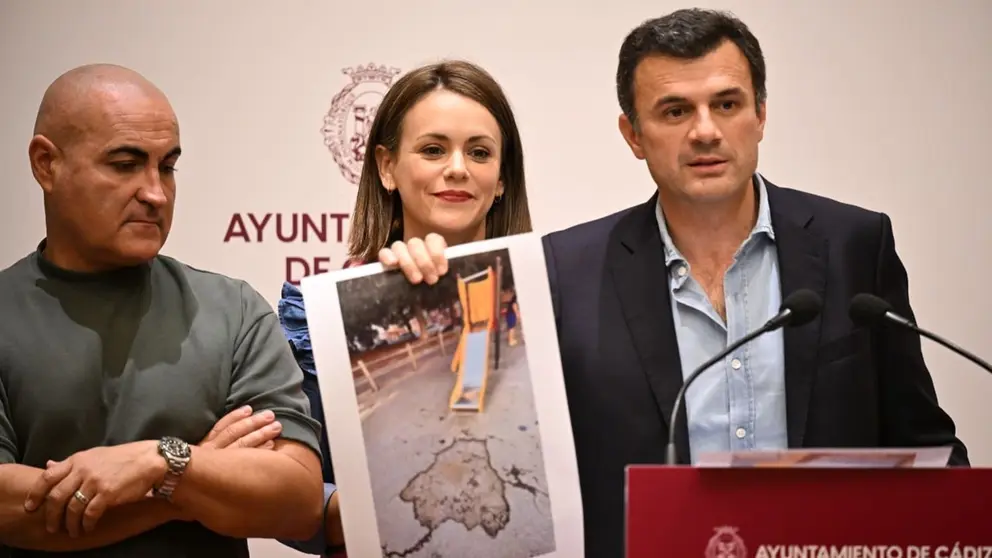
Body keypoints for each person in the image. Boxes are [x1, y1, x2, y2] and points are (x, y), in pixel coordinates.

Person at [372, 8, 970, 558]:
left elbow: (928, 449)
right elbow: (472, 430)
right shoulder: (563, 269)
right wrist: (419, 287)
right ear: (633, 135)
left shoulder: (853, 245)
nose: (705, 131)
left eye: (727, 104)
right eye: (675, 111)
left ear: (761, 115)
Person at [0, 63, 329, 557]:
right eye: (124, 164)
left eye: (168, 167)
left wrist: (159, 461)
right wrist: (187, 482)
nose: (155, 192)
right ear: (47, 164)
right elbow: (8, 510)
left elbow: (297, 501)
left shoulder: (235, 311)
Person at [276, 59, 532, 556]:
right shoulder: (320, 317)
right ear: (386, 167)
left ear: (501, 178)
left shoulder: (554, 298)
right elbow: (288, 503)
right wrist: (368, 510)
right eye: (433, 149)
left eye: (479, 152)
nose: (457, 168)